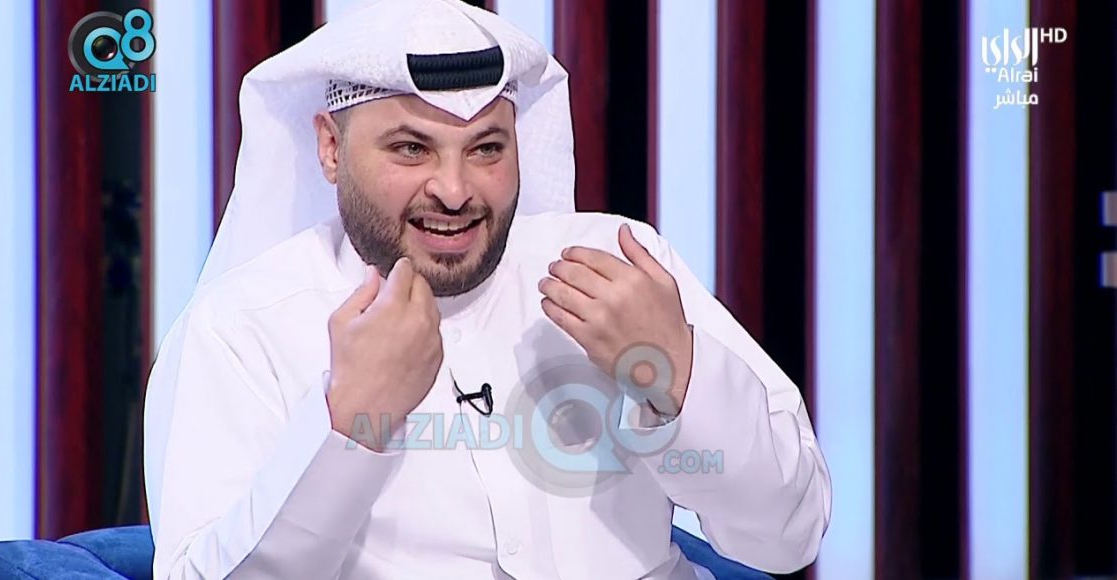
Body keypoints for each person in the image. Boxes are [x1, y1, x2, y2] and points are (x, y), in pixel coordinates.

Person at [142, 0, 832, 578]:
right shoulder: (242, 328)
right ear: (330, 147)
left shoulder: (620, 266)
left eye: (486, 149)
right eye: (411, 149)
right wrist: (349, 425)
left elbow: (788, 534)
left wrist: (678, 372)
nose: (454, 190)